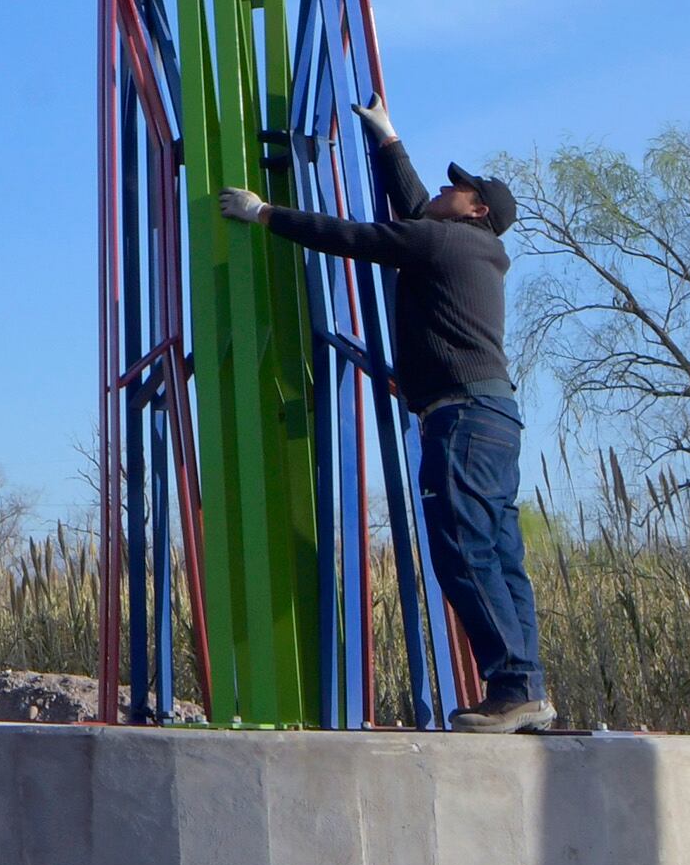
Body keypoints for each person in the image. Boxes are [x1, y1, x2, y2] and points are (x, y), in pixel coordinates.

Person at [215, 100, 551, 733]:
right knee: (501, 555)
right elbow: (419, 206)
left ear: (478, 209)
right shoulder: (466, 248)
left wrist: (265, 214)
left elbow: (357, 238)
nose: (447, 190)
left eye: (461, 188)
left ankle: (511, 686)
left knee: (463, 550)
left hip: (463, 419)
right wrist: (388, 138)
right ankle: (524, 685)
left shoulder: (445, 242)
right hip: (494, 417)